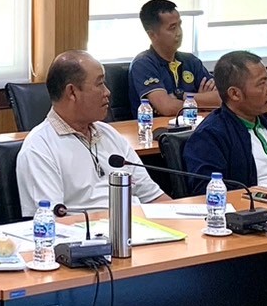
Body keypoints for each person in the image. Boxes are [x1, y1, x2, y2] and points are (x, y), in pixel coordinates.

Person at [17, 51, 167, 213]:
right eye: (100, 84)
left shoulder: (110, 134)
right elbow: (50, 220)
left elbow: (153, 197)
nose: (107, 92)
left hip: (137, 222)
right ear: (72, 92)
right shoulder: (39, 148)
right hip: (89, 228)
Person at [182, 51, 267, 186]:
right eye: (261, 84)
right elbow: (208, 189)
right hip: (254, 198)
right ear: (235, 94)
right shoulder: (210, 135)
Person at [130, 0, 218, 117]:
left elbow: (221, 100)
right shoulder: (143, 64)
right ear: (152, 35)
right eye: (172, 28)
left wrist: (180, 96)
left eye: (179, 25)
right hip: (157, 127)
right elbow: (167, 108)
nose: (179, 32)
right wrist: (203, 101)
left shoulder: (191, 61)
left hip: (194, 125)